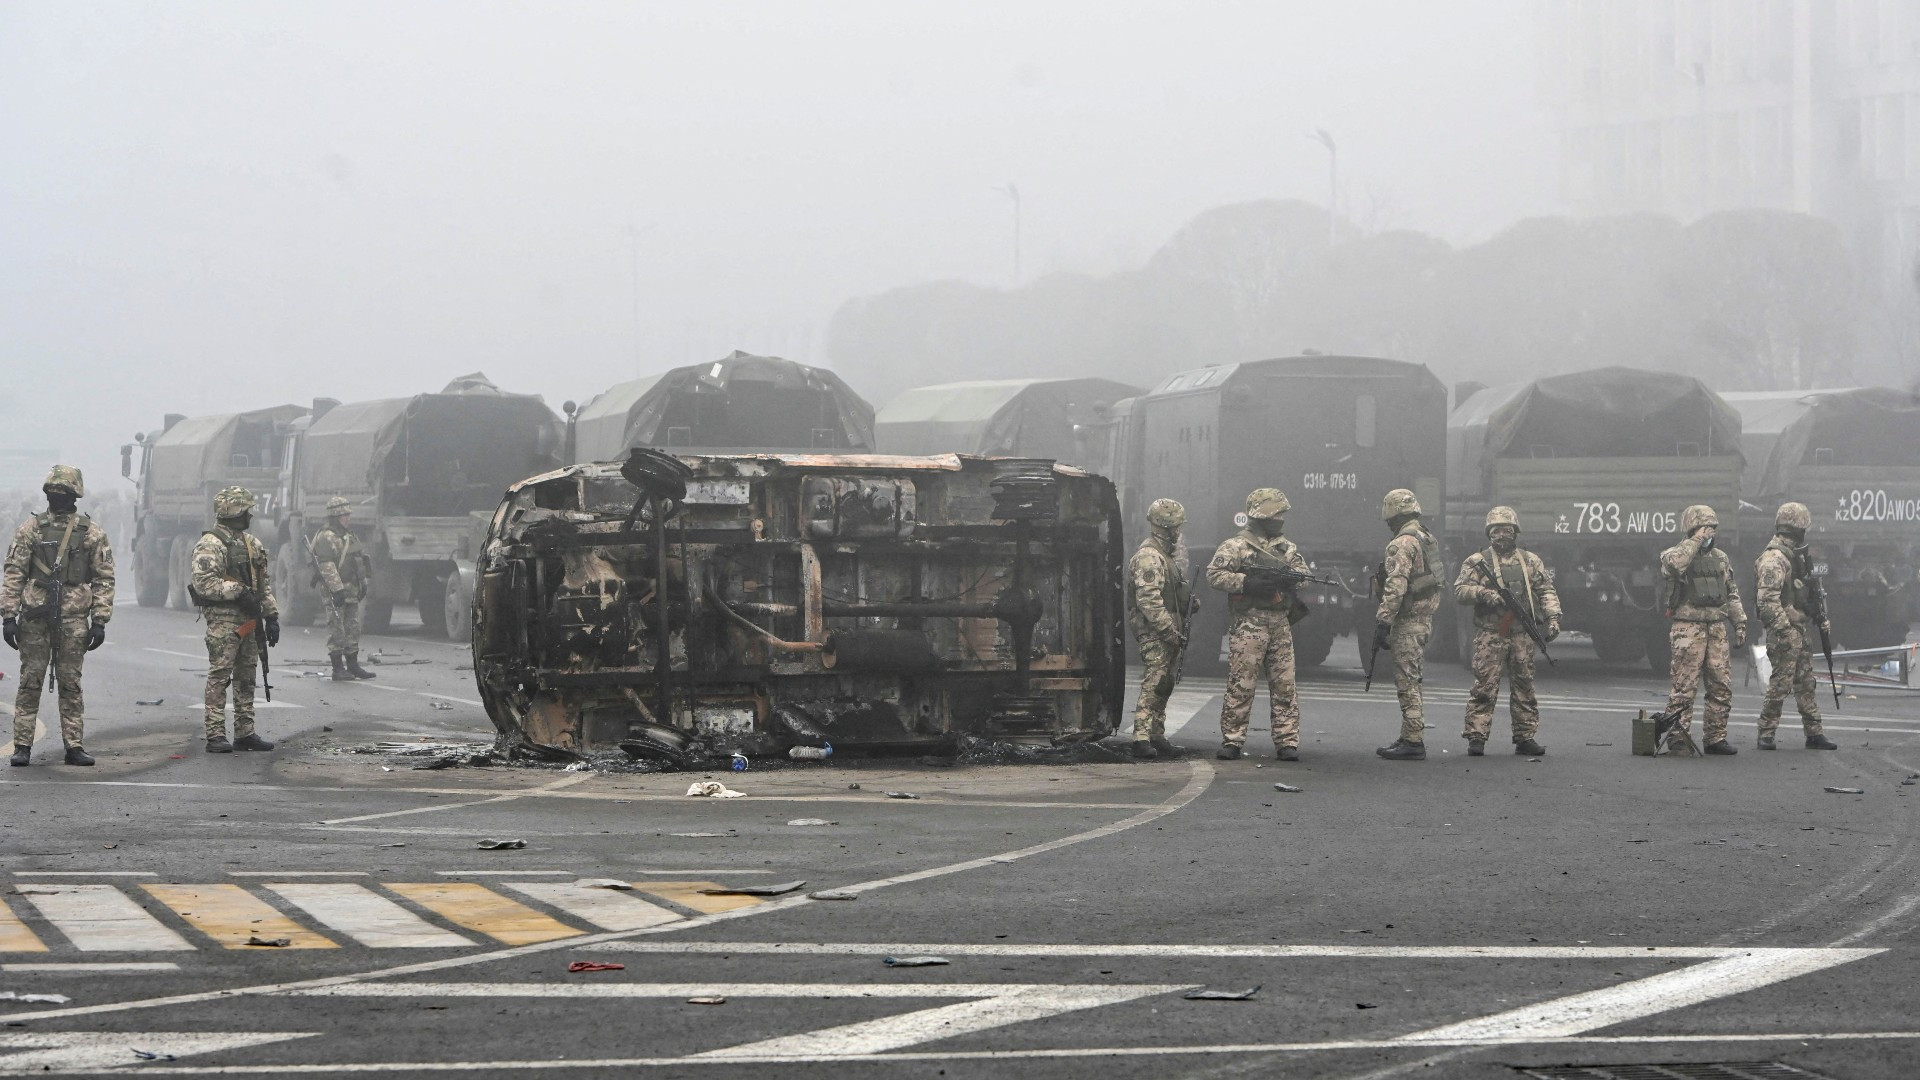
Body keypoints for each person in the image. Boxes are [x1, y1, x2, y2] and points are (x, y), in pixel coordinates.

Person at [2, 466, 114, 767]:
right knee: (30, 681)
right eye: (53, 492)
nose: (57, 497)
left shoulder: (91, 532)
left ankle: (74, 745)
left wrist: (100, 620)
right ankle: (22, 745)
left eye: (63, 493)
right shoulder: (31, 529)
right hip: (36, 618)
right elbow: (14, 573)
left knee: (70, 683)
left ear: (74, 495)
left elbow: (104, 577)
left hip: (73, 618)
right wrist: (8, 616)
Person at [1206, 488, 1310, 761]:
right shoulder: (1236, 546)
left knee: (1285, 685)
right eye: (1276, 514)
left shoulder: (1286, 549)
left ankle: (1287, 741)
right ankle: (1232, 740)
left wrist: (1291, 578)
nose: (1281, 519)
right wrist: (1246, 582)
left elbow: (1305, 575)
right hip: (1249, 622)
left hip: (1279, 623)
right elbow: (1214, 575)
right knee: (1241, 684)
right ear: (1262, 515)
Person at [1452, 506, 1561, 756]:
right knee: (1484, 685)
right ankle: (1476, 736)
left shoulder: (1530, 561)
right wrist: (1484, 594)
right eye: (1496, 530)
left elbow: (1546, 590)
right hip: (1491, 633)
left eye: (1507, 530)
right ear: (1489, 533)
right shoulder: (1477, 562)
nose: (1502, 535)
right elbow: (1460, 590)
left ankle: (1525, 736)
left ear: (1516, 532)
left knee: (1524, 686)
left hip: (1522, 633)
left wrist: (1553, 618)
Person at [190, 486, 279, 753]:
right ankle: (215, 734)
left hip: (250, 621)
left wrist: (271, 615)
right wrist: (238, 592)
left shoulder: (252, 544)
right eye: (246, 510)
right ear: (233, 511)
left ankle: (245, 731)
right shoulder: (210, 544)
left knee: (247, 676)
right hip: (224, 620)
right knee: (220, 675)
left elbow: (263, 584)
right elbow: (203, 583)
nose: (250, 516)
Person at [1658, 504, 1746, 756]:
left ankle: (1716, 737)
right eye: (1704, 528)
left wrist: (1739, 623)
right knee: (1684, 687)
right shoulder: (1672, 554)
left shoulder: (1720, 558)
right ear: (1691, 529)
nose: (1709, 533)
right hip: (1688, 627)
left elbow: (1731, 593)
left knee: (1721, 685)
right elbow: (1676, 564)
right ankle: (1678, 737)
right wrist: (1695, 540)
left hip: (1716, 628)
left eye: (1712, 529)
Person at [1753, 501, 1838, 751]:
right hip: (1785, 631)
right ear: (1798, 528)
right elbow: (1767, 601)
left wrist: (1814, 614)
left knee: (1805, 682)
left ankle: (1814, 733)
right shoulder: (1774, 559)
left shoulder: (1793, 556)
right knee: (1781, 684)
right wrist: (1784, 630)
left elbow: (1802, 594)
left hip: (1797, 628)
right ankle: (1766, 733)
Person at [1373, 488, 1443, 761]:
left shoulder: (1402, 543)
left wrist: (1383, 621)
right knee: (1414, 676)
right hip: (1424, 619)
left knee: (1407, 681)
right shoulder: (1426, 537)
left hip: (1409, 619)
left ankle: (1413, 741)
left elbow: (1396, 586)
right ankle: (1409, 734)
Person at [1127, 498, 1192, 759]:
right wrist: (1167, 629)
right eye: (1176, 527)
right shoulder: (1149, 557)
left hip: (1167, 626)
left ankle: (1156, 733)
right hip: (1154, 629)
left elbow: (1167, 593)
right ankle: (1141, 736)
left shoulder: (1167, 557)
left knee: (1165, 682)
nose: (1179, 532)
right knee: (1155, 679)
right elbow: (1148, 600)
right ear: (1167, 528)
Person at [311, 496, 376, 681]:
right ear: (334, 516)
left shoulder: (348, 535)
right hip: (336, 592)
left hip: (352, 589)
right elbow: (327, 565)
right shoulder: (326, 537)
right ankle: (338, 669)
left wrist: (363, 583)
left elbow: (359, 559)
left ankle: (353, 666)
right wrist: (337, 590)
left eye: (348, 514)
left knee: (352, 628)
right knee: (336, 629)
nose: (347, 518)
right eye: (343, 515)